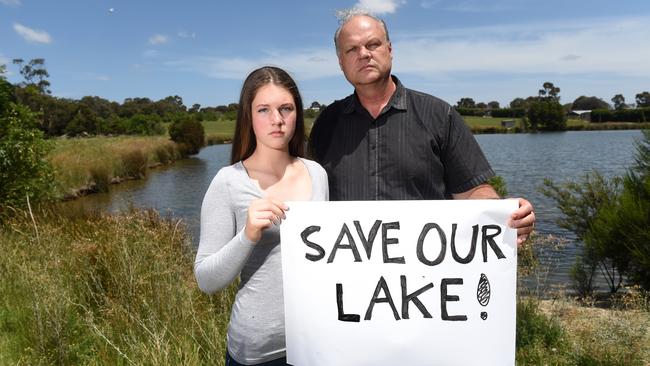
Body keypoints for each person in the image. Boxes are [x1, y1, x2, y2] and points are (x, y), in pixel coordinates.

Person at [309, 9, 535, 244]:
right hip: (348, 273)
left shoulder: (439, 115)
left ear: (390, 50)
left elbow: (471, 191)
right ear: (340, 62)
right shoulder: (326, 123)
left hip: (426, 272)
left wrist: (504, 215)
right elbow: (307, 192)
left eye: (372, 44)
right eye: (352, 49)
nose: (363, 54)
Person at [194, 66, 329, 366]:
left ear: (297, 113)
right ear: (248, 117)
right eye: (263, 110)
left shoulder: (317, 174)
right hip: (257, 352)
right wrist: (248, 235)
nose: (277, 120)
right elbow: (206, 280)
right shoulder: (228, 182)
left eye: (286, 109)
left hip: (315, 340)